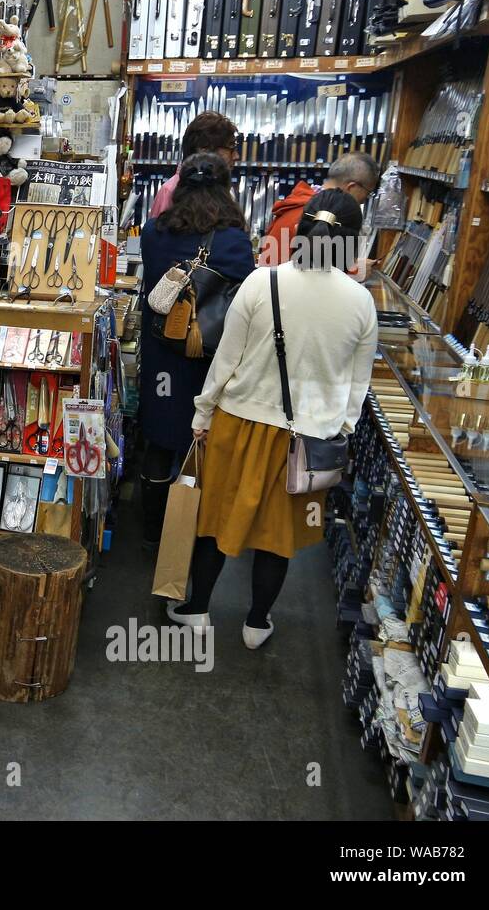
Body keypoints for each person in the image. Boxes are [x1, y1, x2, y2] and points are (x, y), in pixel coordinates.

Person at [171, 188, 377, 648]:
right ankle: (257, 623)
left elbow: (226, 359)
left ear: (302, 230)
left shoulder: (263, 282)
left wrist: (203, 413)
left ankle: (198, 609)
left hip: (240, 422)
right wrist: (339, 430)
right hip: (306, 439)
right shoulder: (360, 303)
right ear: (351, 241)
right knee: (276, 535)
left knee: (214, 520)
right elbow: (356, 385)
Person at [138, 152, 255, 547]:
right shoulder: (236, 241)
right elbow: (244, 303)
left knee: (159, 436)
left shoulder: (153, 233)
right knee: (200, 441)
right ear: (225, 189)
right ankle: (191, 531)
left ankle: (153, 530)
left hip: (162, 353)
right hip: (211, 356)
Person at [260, 152, 381, 269]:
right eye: (367, 193)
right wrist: (354, 273)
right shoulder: (311, 216)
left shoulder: (306, 209)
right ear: (351, 187)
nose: (363, 201)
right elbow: (308, 277)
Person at [149, 112, 239, 219]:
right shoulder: (170, 191)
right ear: (204, 150)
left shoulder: (226, 191)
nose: (236, 156)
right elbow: (158, 234)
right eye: (230, 148)